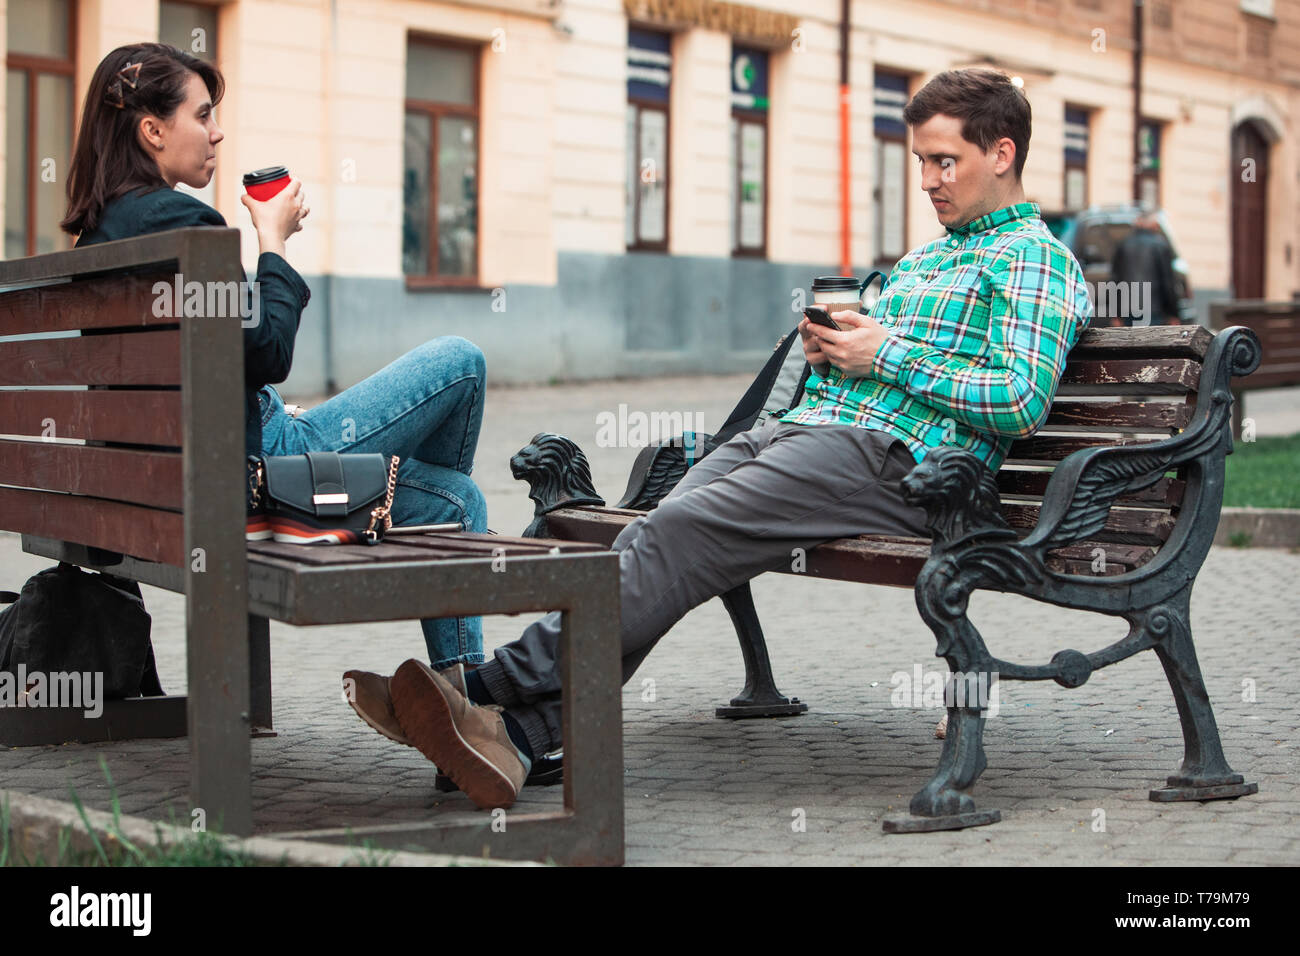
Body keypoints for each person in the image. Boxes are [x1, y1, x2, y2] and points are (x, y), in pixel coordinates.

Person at [385, 68, 1096, 810]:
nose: (927, 180)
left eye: (944, 161)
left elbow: (1018, 399)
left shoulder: (1034, 260)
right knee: (660, 539)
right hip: (804, 435)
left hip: (902, 469)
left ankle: (481, 688)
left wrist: (880, 354)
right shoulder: (926, 257)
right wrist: (833, 353)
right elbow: (881, 358)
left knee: (680, 531)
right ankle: (519, 739)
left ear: (1003, 153)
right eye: (920, 161)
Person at [63, 43, 490, 698]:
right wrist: (273, 239)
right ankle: (470, 706)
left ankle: (464, 707)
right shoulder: (183, 223)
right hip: (253, 477)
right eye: (202, 115)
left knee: (455, 500)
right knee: (460, 362)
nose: (217, 131)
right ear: (151, 130)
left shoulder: (97, 236)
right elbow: (268, 352)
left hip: (154, 490)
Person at [1109, 210, 1182, 327]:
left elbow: (1115, 279)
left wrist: (1115, 314)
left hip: (1128, 308)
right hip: (1153, 309)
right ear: (1153, 224)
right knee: (1151, 343)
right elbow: (1168, 282)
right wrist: (1173, 314)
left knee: (1130, 343)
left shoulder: (1124, 244)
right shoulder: (1160, 245)